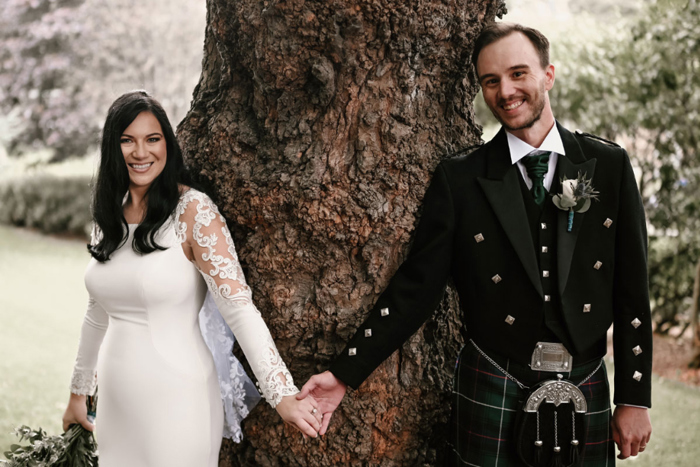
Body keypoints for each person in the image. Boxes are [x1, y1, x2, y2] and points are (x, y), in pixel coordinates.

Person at [299, 23, 652, 466]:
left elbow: (633, 290)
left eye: (518, 73)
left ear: (548, 74)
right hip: (495, 378)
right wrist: (343, 374)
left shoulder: (608, 165)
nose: (505, 91)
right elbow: (416, 289)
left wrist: (635, 397)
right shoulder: (461, 179)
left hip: (585, 382)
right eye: (491, 81)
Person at [62, 90, 322, 467]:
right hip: (116, 405)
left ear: (167, 144)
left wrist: (280, 392)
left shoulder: (194, 212)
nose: (140, 152)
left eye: (153, 139)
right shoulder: (109, 216)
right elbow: (96, 312)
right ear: (111, 148)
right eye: (127, 140)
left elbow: (238, 308)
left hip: (178, 400)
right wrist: (78, 392)